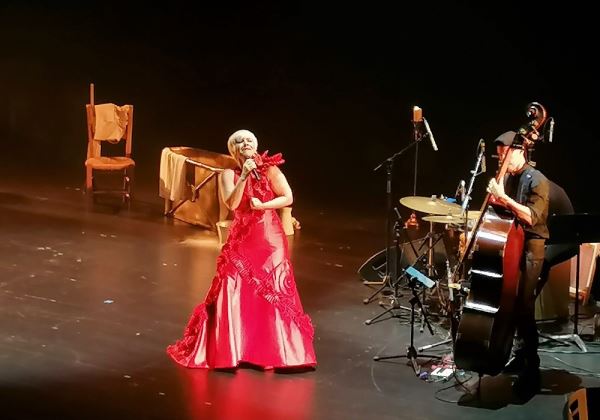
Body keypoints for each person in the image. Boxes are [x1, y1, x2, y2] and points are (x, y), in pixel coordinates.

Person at [167, 129, 316, 370]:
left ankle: (280, 353)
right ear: (233, 149)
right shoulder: (228, 174)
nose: (245, 143)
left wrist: (263, 205)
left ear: (256, 145)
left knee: (273, 289)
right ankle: (234, 350)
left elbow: (287, 197)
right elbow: (232, 203)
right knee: (234, 287)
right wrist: (244, 175)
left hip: (270, 238)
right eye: (240, 141)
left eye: (249, 140)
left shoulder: (270, 169)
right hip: (243, 237)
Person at [486, 130, 550, 398]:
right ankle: (519, 355)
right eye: (498, 157)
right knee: (511, 306)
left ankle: (532, 371)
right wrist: (494, 197)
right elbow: (502, 212)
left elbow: (530, 217)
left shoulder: (538, 180)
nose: (501, 162)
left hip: (531, 249)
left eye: (504, 156)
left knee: (524, 309)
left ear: (518, 151)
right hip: (512, 246)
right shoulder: (510, 179)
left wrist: (505, 198)